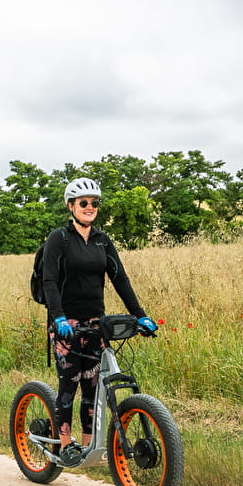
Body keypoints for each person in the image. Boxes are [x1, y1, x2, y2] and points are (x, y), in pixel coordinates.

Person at [40, 177, 157, 467]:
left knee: (94, 385)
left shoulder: (103, 241)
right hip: (67, 322)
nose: (89, 207)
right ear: (71, 206)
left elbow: (120, 278)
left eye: (94, 203)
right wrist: (58, 317)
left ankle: (88, 442)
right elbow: (49, 280)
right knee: (70, 384)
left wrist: (139, 314)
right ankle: (65, 444)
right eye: (83, 203)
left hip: (95, 322)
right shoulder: (59, 238)